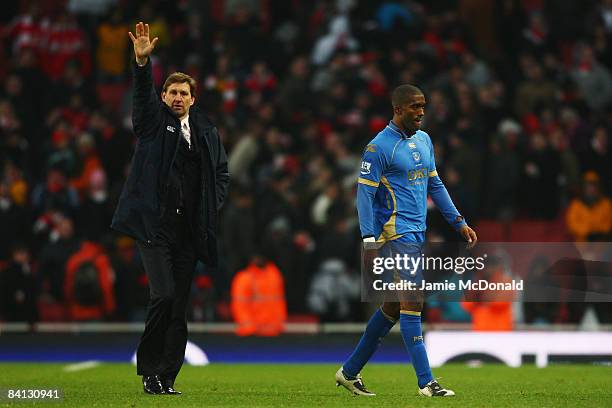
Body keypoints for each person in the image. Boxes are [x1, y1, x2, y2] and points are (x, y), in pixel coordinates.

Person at [335, 85, 477, 397]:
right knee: (413, 301)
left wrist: (458, 222)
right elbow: (364, 195)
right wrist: (369, 240)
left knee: (394, 307)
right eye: (414, 107)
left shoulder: (424, 141)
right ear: (398, 109)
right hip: (393, 234)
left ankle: (349, 372)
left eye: (423, 105)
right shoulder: (379, 147)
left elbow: (435, 184)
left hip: (416, 232)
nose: (421, 112)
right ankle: (427, 383)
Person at [111, 22, 229, 395]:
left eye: (184, 92)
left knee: (178, 306)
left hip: (187, 233)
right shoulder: (150, 122)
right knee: (162, 295)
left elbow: (221, 174)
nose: (177, 97)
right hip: (154, 228)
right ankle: (149, 369)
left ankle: (167, 376)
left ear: (193, 99)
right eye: (172, 91)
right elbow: (141, 97)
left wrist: (211, 209)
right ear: (163, 96)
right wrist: (142, 65)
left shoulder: (208, 132)